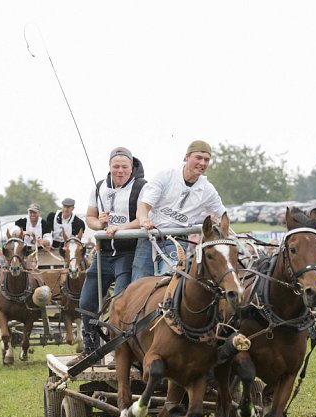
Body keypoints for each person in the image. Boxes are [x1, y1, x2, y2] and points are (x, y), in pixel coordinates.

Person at [78, 147, 147, 355]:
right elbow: (89, 218)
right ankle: (90, 347)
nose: (120, 170)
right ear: (109, 167)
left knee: (119, 303)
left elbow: (142, 218)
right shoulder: (99, 187)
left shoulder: (141, 187)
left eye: (124, 166)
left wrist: (121, 228)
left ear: (131, 167)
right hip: (103, 254)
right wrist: (98, 224)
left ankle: (121, 349)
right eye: (116, 166)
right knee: (86, 301)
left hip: (128, 254)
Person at [132, 140, 226, 280]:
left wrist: (224, 233)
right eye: (198, 158)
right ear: (187, 157)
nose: (203, 163)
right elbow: (144, 206)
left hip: (176, 240)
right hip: (149, 237)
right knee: (139, 281)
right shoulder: (166, 176)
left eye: (207, 159)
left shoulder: (207, 189)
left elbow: (223, 215)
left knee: (170, 276)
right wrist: (144, 219)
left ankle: (168, 301)